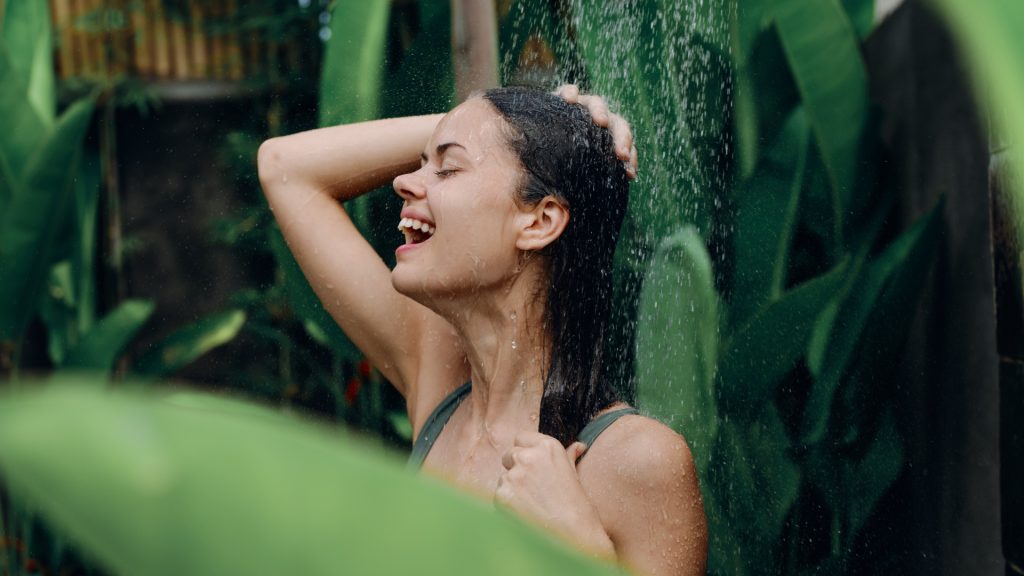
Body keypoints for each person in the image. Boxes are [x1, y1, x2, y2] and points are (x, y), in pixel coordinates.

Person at [257, 84, 707, 575]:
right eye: (422, 162)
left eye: (447, 168)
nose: (405, 181)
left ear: (540, 221)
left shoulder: (638, 461)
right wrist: (546, 123)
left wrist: (580, 552)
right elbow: (285, 166)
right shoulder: (439, 391)